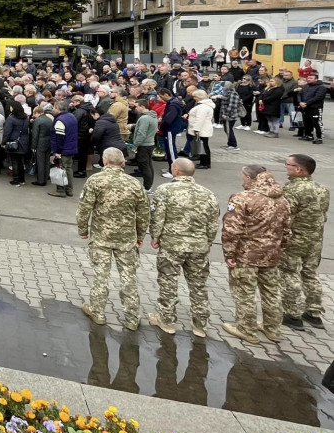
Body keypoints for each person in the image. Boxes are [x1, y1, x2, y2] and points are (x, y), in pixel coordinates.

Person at [77, 147, 148, 330]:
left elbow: (85, 208)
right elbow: (143, 213)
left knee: (101, 276)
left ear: (104, 161)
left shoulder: (95, 180)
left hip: (101, 237)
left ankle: (98, 312)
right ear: (123, 162)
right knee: (128, 277)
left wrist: (83, 230)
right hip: (126, 239)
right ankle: (132, 318)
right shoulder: (134, 184)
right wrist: (140, 235)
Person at [148, 157, 220, 337]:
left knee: (168, 282)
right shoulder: (207, 193)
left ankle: (167, 320)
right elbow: (213, 222)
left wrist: (155, 236)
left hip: (172, 244)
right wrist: (209, 241)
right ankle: (200, 324)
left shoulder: (165, 190)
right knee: (198, 285)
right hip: (198, 246)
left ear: (176, 171)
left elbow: (158, 217)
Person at [221, 165, 292, 344]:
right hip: (272, 254)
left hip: (246, 255)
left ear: (250, 178)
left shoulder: (242, 198)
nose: (242, 179)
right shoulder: (282, 199)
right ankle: (273, 329)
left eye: (244, 176)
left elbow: (232, 229)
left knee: (244, 292)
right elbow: (287, 230)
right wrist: (280, 248)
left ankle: (246, 329)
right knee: (272, 292)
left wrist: (229, 253)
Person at [280, 154, 330, 330]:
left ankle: (292, 314)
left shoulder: (292, 190)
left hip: (296, 238)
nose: (286, 167)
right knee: (310, 273)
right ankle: (314, 312)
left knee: (289, 273)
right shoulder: (322, 189)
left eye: (288, 164)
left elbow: (285, 216)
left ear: (298, 169)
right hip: (315, 239)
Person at [49, 99, 78, 198]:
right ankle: (69, 190)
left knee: (61, 169)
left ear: (57, 108)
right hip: (71, 147)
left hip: (63, 149)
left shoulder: (60, 120)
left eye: (54, 107)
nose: (53, 109)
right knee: (68, 169)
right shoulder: (72, 116)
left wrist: (58, 152)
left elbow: (60, 137)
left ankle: (60, 190)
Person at [131, 98, 158, 193]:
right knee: (149, 165)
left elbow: (141, 133)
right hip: (150, 143)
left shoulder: (144, 118)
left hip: (144, 145)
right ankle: (149, 185)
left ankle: (147, 187)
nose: (136, 108)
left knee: (144, 166)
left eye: (137, 106)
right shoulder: (153, 116)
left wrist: (135, 145)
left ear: (142, 107)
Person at [4, 100, 31, 186]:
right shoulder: (26, 118)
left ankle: (16, 180)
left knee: (14, 161)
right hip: (24, 142)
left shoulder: (11, 118)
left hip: (13, 142)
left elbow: (7, 132)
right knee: (21, 161)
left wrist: (4, 142)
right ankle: (22, 179)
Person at [185, 90, 214, 169]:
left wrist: (196, 129)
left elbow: (200, 119)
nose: (194, 98)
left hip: (201, 129)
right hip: (203, 128)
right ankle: (204, 162)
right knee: (203, 146)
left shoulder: (203, 107)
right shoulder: (203, 105)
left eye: (195, 97)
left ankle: (205, 163)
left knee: (203, 146)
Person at [297, 73, 325, 144]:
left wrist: (306, 103)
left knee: (316, 123)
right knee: (307, 122)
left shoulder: (321, 87)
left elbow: (318, 97)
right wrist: (300, 102)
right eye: (308, 78)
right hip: (305, 108)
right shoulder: (305, 86)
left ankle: (319, 138)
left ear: (316, 79)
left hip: (315, 108)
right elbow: (299, 94)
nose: (309, 79)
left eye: (311, 78)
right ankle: (308, 135)